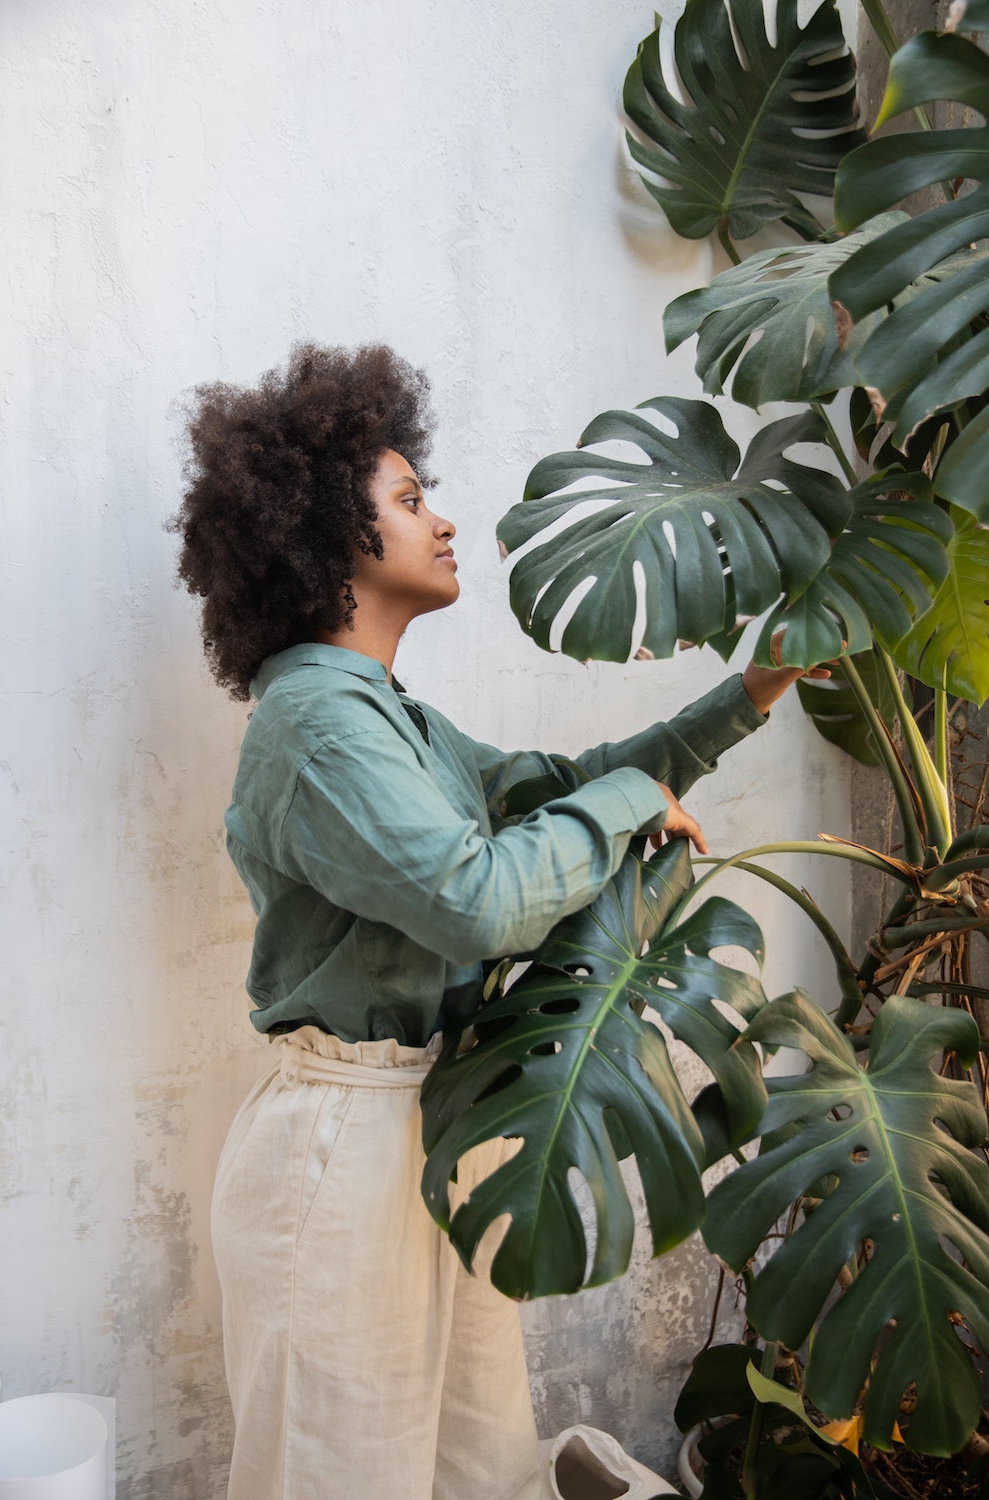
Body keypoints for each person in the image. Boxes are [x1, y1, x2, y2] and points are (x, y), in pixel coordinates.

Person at [172, 343, 821, 1500]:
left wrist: (753, 689)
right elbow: (474, 901)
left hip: (426, 1123)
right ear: (327, 541)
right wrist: (632, 805)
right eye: (410, 501)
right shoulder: (315, 731)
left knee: (477, 1467)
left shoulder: (388, 719)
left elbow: (561, 784)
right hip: (342, 1149)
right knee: (342, 1475)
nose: (445, 521)